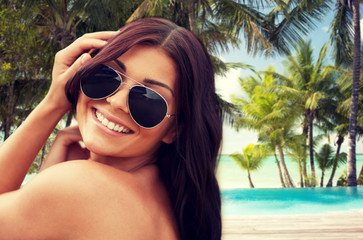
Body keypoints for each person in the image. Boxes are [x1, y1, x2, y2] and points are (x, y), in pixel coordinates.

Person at [0, 17, 222, 240]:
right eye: (106, 76)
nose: (117, 102)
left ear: (174, 129)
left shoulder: (81, 188)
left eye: (148, 99)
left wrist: (53, 104)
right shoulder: (164, 200)